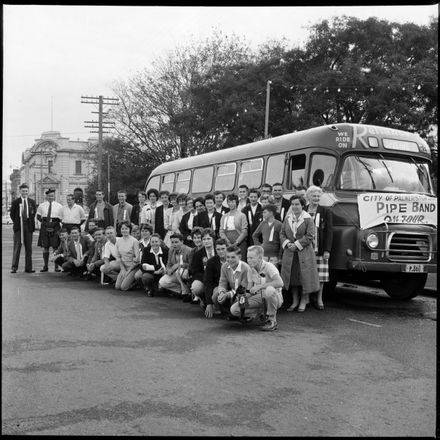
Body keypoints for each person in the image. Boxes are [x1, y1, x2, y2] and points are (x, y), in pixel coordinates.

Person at [280, 195, 320, 313]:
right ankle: (295, 300)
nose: (294, 206)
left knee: (304, 277)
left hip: (304, 253)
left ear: (302, 205)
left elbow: (310, 236)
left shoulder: (308, 219)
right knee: (292, 278)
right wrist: (287, 244)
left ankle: (304, 300)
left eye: (297, 204)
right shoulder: (287, 218)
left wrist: (296, 245)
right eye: (292, 204)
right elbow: (282, 234)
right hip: (290, 253)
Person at [230, 245, 284, 331]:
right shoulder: (250, 270)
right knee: (234, 309)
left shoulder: (269, 266)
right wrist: (241, 298)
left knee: (269, 290)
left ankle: (272, 320)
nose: (249, 260)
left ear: (260, 258)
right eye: (248, 258)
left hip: (274, 297)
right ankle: (258, 314)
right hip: (259, 297)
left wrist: (260, 286)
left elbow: (280, 283)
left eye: (252, 258)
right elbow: (249, 290)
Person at [305, 185, 333, 310]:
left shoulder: (326, 211)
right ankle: (305, 298)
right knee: (305, 274)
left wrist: (327, 249)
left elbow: (329, 232)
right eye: (314, 196)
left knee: (320, 276)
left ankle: (319, 298)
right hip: (305, 249)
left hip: (319, 249)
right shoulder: (303, 210)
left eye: (318, 196)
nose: (316, 198)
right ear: (308, 197)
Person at [215, 245, 251, 317]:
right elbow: (222, 282)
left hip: (244, 293)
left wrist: (227, 295)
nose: (230, 260)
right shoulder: (224, 266)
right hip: (232, 291)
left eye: (233, 257)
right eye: (228, 257)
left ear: (240, 257)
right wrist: (222, 293)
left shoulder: (246, 268)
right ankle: (230, 313)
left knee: (240, 299)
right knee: (216, 295)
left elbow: (243, 289)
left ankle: (245, 314)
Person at [10, 183, 37, 273]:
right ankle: (14, 267)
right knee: (17, 247)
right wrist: (18, 223)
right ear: (20, 192)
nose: (25, 192)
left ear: (28, 192)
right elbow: (12, 215)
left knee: (29, 248)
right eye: (23, 191)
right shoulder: (16, 202)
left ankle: (28, 268)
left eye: (26, 191)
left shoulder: (32, 202)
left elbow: (33, 214)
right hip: (19, 227)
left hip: (28, 227)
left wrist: (29, 224)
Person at [37, 188, 63, 272]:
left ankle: (56, 266)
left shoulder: (59, 206)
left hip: (55, 226)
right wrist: (45, 224)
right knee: (45, 247)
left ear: (54, 196)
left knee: (55, 247)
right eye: (48, 196)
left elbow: (60, 218)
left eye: (52, 196)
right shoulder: (42, 205)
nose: (50, 197)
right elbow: (38, 216)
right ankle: (45, 266)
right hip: (45, 226)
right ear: (46, 196)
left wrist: (53, 224)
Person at [158, 232, 192, 298]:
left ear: (182, 241)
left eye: (176, 242)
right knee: (162, 282)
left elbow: (191, 265)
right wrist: (168, 270)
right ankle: (182, 290)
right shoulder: (171, 250)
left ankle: (185, 293)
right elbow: (168, 264)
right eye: (172, 242)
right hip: (176, 273)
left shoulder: (189, 250)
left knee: (178, 271)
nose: (174, 244)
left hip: (185, 273)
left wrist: (179, 265)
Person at [202, 238, 228, 318]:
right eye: (218, 249)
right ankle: (217, 306)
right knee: (216, 295)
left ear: (227, 248)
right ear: (215, 249)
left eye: (223, 249)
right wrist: (209, 303)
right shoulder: (211, 262)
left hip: (233, 286)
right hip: (218, 287)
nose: (221, 251)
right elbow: (208, 282)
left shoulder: (233, 259)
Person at [190, 228, 216, 305]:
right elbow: (195, 272)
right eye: (204, 239)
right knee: (195, 287)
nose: (206, 241)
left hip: (218, 279)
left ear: (213, 239)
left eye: (208, 238)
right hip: (204, 279)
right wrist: (206, 278)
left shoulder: (219, 251)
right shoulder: (198, 254)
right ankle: (203, 298)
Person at [219, 193, 248, 261]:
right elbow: (221, 231)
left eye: (232, 202)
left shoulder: (242, 215)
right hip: (227, 244)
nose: (230, 204)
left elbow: (244, 232)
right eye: (229, 202)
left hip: (240, 244)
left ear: (236, 202)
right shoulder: (224, 216)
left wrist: (236, 243)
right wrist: (227, 242)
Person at [114, 221, 140, 291]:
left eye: (126, 228)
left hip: (133, 267)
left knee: (123, 287)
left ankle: (137, 283)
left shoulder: (134, 241)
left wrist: (128, 271)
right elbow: (118, 257)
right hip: (123, 266)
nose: (124, 230)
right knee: (117, 287)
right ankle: (126, 278)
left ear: (129, 230)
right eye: (122, 229)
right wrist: (122, 269)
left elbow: (137, 259)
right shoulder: (119, 241)